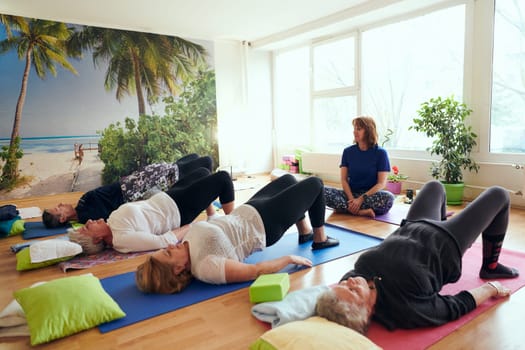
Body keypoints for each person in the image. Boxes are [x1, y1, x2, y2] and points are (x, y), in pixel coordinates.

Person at [315, 180, 519, 334]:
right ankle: (491, 266)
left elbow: (318, 301)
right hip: (448, 241)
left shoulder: (356, 278)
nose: (349, 281)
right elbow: (454, 307)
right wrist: (490, 288)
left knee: (434, 186)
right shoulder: (405, 308)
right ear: (367, 311)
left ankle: (441, 220)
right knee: (499, 194)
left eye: (342, 284)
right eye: (352, 290)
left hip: (413, 225)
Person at [135, 174, 340, 294]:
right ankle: (319, 239)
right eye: (168, 254)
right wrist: (287, 259)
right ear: (178, 269)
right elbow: (255, 271)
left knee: (288, 179)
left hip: (250, 208)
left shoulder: (185, 246)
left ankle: (305, 231)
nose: (170, 247)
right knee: (315, 184)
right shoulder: (207, 268)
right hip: (265, 225)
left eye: (166, 250)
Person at [68, 170, 235, 254]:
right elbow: (162, 241)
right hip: (178, 211)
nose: (88, 221)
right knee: (223, 179)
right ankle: (233, 224)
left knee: (203, 172)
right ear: (97, 239)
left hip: (168, 197)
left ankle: (212, 216)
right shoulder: (122, 239)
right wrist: (193, 226)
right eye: (87, 228)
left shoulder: (111, 220)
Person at [42, 154, 213, 228]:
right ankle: (211, 208)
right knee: (205, 161)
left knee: (195, 159)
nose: (61, 203)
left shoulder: (84, 210)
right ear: (63, 218)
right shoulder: (86, 211)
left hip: (136, 181)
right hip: (137, 186)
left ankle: (209, 201)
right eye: (58, 208)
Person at [324, 116, 395, 218]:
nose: (354, 132)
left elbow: (381, 183)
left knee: (389, 198)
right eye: (354, 129)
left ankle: (344, 208)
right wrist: (352, 199)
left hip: (370, 196)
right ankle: (360, 212)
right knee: (320, 190)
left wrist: (360, 200)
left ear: (369, 131)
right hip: (350, 195)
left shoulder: (381, 153)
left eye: (359, 129)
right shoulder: (348, 152)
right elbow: (344, 180)